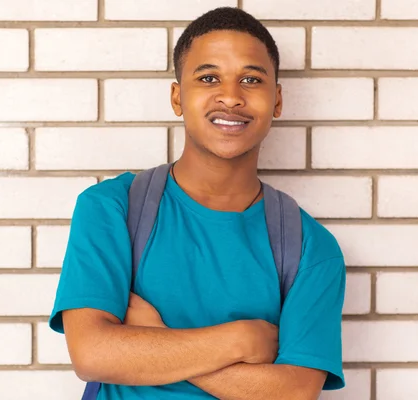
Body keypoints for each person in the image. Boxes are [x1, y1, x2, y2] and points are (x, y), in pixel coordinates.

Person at [49, 6, 346, 400]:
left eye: (251, 79)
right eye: (208, 78)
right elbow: (92, 353)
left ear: (276, 101)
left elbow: (293, 394)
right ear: (177, 97)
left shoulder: (310, 247)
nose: (230, 96)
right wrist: (239, 339)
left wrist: (154, 340)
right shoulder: (111, 209)